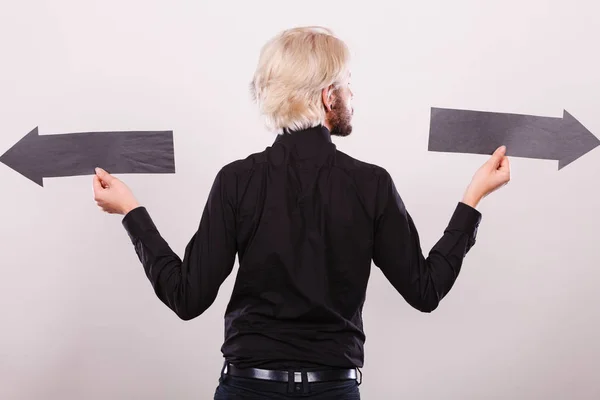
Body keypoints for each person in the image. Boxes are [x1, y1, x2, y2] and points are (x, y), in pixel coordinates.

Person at [92, 26, 510, 399]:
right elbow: (425, 290)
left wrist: (131, 210)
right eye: (347, 84)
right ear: (328, 96)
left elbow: (186, 297)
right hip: (333, 389)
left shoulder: (237, 181)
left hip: (247, 388)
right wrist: (473, 197)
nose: (352, 94)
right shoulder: (370, 184)